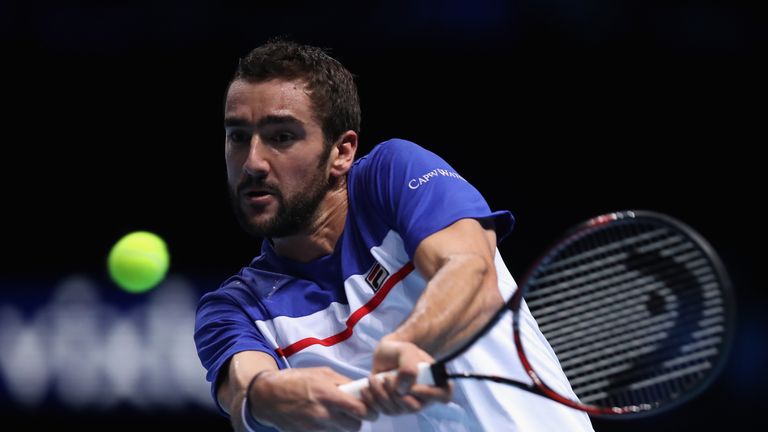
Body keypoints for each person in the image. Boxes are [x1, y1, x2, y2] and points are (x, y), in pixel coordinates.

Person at [194, 39, 594, 432]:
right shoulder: (236, 308)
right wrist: (270, 394)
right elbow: (244, 388)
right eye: (238, 137)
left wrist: (410, 340)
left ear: (342, 152)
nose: (252, 162)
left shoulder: (391, 175)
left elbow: (471, 272)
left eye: (281, 137)